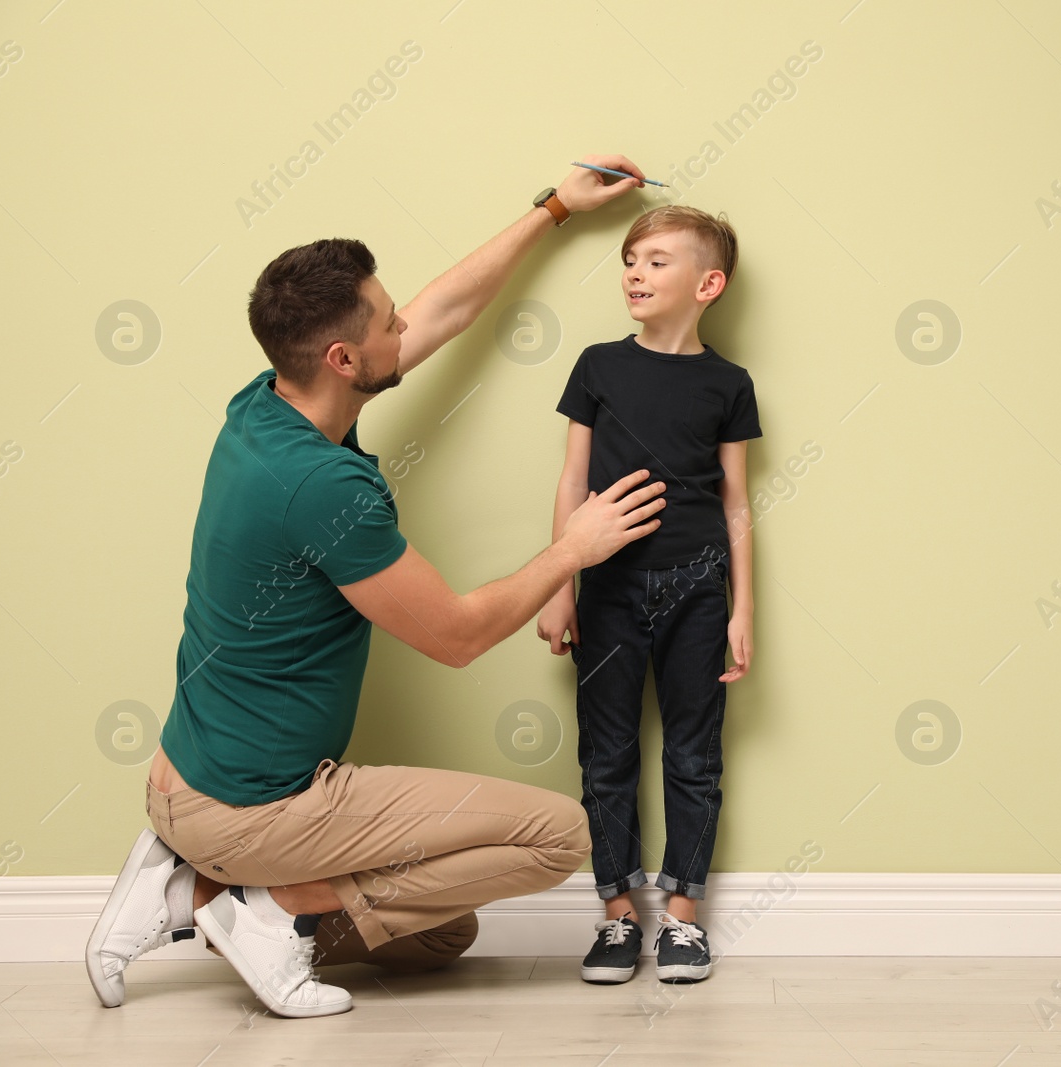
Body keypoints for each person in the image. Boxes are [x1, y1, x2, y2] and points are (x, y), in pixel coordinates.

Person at [85, 156, 671, 1019]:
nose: (407, 325)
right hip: (259, 803)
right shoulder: (323, 490)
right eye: (387, 322)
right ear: (342, 356)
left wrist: (552, 209)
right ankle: (254, 903)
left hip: (186, 781)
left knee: (443, 933)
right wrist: (572, 546)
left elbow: (444, 309)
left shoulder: (264, 404)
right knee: (559, 836)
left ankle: (193, 887)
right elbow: (459, 635)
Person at [536, 205, 759, 985]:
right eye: (630, 258)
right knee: (607, 755)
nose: (635, 270)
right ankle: (617, 916)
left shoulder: (729, 383)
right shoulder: (598, 366)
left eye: (657, 260)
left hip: (700, 586)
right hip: (607, 588)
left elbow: (735, 501)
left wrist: (741, 608)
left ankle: (684, 922)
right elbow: (571, 479)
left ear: (707, 283)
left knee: (695, 756)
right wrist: (561, 586)